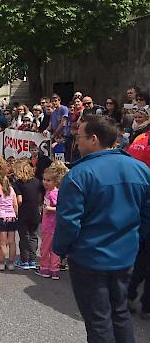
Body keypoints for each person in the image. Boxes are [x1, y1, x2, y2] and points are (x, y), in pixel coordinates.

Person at [53, 115, 150, 343]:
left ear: (94, 139)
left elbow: (68, 222)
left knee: (98, 321)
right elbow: (146, 215)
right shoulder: (140, 169)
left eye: (79, 138)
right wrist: (134, 239)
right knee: (120, 313)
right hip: (125, 256)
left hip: (89, 258)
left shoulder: (78, 175)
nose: (76, 143)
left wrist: (61, 249)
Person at [35, 162, 69, 280]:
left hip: (50, 226)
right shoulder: (49, 192)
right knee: (52, 248)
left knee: (46, 248)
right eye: (44, 179)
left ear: (56, 182)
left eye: (48, 180)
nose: (45, 182)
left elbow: (62, 207)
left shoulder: (54, 193)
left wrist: (49, 209)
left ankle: (45, 267)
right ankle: (54, 269)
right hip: (49, 225)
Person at [12, 160, 43, 270]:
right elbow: (39, 198)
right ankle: (33, 260)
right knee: (33, 236)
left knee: (24, 237)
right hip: (35, 212)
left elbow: (19, 200)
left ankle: (24, 260)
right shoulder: (37, 182)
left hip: (24, 212)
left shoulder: (19, 183)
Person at [0, 170, 18, 272]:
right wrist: (16, 214)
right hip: (11, 217)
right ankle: (11, 263)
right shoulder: (12, 190)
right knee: (12, 242)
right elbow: (15, 204)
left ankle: (1, 263)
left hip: (1, 216)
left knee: (3, 243)